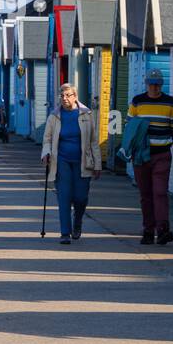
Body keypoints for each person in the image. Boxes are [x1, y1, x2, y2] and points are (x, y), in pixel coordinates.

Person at [128, 69, 173, 245]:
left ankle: (162, 229)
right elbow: (130, 129)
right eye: (151, 83)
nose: (154, 87)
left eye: (157, 84)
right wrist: (128, 150)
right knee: (145, 195)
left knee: (159, 192)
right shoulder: (137, 102)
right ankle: (147, 230)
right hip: (141, 156)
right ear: (146, 84)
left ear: (162, 85)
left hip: (162, 155)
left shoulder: (170, 103)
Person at [41, 83, 102, 245]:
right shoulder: (54, 116)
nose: (65, 98)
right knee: (64, 197)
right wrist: (46, 153)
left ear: (75, 97)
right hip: (62, 161)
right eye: (62, 96)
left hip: (83, 161)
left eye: (68, 95)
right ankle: (65, 233)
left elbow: (93, 141)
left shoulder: (86, 114)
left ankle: (78, 221)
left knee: (81, 198)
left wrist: (98, 164)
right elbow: (47, 139)